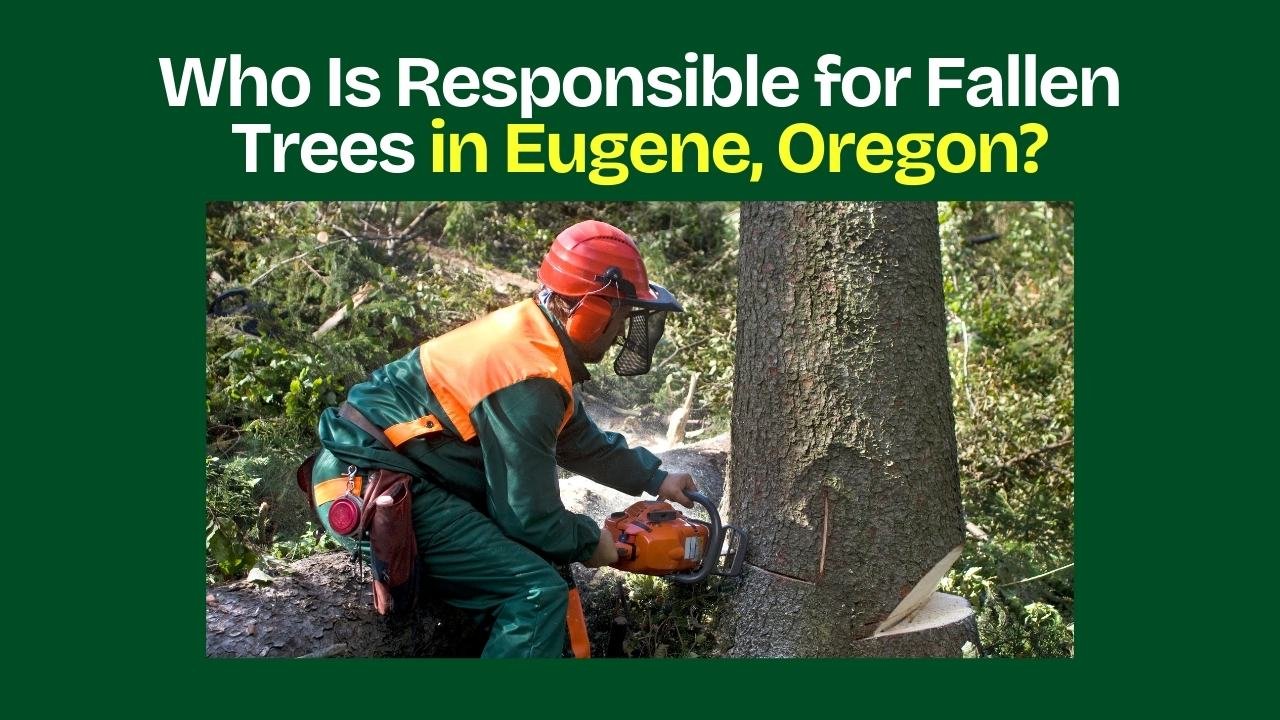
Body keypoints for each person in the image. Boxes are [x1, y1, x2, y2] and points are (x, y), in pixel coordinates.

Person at [306, 219, 696, 658]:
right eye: (622, 315)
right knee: (535, 594)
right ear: (591, 309)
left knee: (532, 565)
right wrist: (594, 544)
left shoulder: (534, 342)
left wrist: (655, 478)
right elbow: (528, 517)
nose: (624, 331)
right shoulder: (530, 377)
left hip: (395, 471)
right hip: (376, 486)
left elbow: (579, 440)